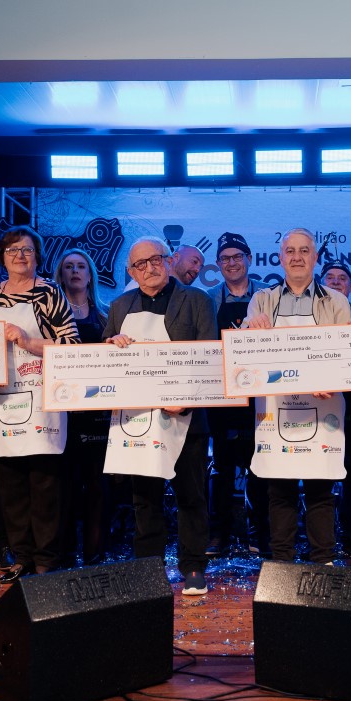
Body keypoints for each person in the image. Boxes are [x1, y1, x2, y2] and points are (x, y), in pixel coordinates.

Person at [103, 237, 216, 594]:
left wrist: (187, 400)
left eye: (156, 259)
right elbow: (103, 359)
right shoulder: (119, 305)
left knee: (191, 497)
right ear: (131, 271)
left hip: (186, 418)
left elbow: (209, 357)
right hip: (137, 421)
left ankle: (193, 567)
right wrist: (111, 346)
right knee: (145, 499)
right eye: (140, 264)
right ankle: (148, 570)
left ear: (169, 261)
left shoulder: (197, 300)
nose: (149, 268)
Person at [0, 226, 78, 583]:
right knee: (11, 486)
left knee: (45, 485)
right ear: (1, 258)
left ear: (38, 256)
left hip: (43, 401)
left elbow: (71, 346)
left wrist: (26, 341)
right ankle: (21, 557)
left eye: (27, 250)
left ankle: (46, 559)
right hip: (2, 402)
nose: (20, 256)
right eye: (12, 250)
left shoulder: (50, 292)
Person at [246, 228, 351, 565]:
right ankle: (282, 565)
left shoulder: (336, 301)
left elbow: (346, 353)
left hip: (324, 406)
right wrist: (251, 329)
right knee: (280, 491)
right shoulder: (261, 300)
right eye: (290, 251)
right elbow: (244, 356)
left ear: (315, 257)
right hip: (276, 410)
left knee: (321, 490)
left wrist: (332, 380)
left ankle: (324, 561)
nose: (296, 257)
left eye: (304, 251)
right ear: (280, 258)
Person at [204, 233, 265, 556]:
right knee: (222, 467)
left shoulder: (266, 296)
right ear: (218, 264)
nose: (231, 263)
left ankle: (259, 533)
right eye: (225, 258)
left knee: (261, 465)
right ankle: (219, 534)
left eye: (237, 256)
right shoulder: (208, 299)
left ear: (249, 259)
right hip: (222, 395)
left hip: (260, 396)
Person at [53, 247, 112, 566]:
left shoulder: (106, 315)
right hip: (62, 414)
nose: (75, 271)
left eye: (80, 266)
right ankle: (64, 555)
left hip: (99, 415)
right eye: (68, 267)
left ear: (90, 275)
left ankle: (95, 554)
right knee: (65, 486)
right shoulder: (49, 318)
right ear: (60, 275)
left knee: (99, 488)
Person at [319, 259, 351, 560]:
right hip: (317, 404)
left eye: (342, 278)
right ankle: (320, 536)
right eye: (330, 277)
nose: (337, 282)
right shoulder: (312, 313)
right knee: (320, 472)